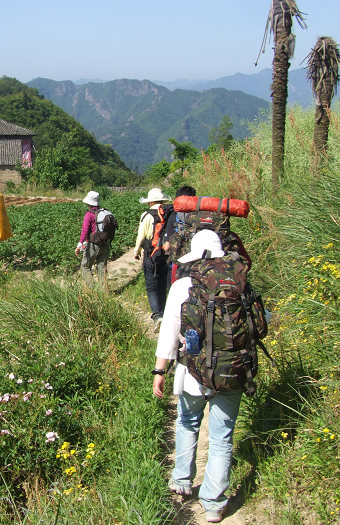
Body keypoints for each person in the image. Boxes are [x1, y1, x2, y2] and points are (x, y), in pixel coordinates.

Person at [152, 230, 242, 524]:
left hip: (192, 371)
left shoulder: (183, 286)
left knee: (188, 421)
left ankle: (181, 480)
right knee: (222, 438)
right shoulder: (239, 282)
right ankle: (214, 503)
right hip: (231, 370)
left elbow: (169, 332)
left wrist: (160, 370)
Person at [134, 187, 171, 330]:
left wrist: (136, 251)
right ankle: (164, 312)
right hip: (167, 254)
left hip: (151, 253)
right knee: (163, 284)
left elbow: (141, 235)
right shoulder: (170, 213)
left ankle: (157, 315)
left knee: (151, 286)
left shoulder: (147, 215)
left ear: (150, 202)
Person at [162, 185, 197, 289]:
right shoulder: (200, 215)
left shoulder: (174, 216)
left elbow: (168, 245)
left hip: (179, 263)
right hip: (199, 263)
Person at [75, 191, 111, 288]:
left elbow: (85, 231)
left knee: (85, 266)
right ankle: (103, 292)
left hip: (94, 245)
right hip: (105, 244)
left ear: (88, 203)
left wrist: (79, 244)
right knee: (102, 267)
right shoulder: (105, 212)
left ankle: (92, 290)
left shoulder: (89, 214)